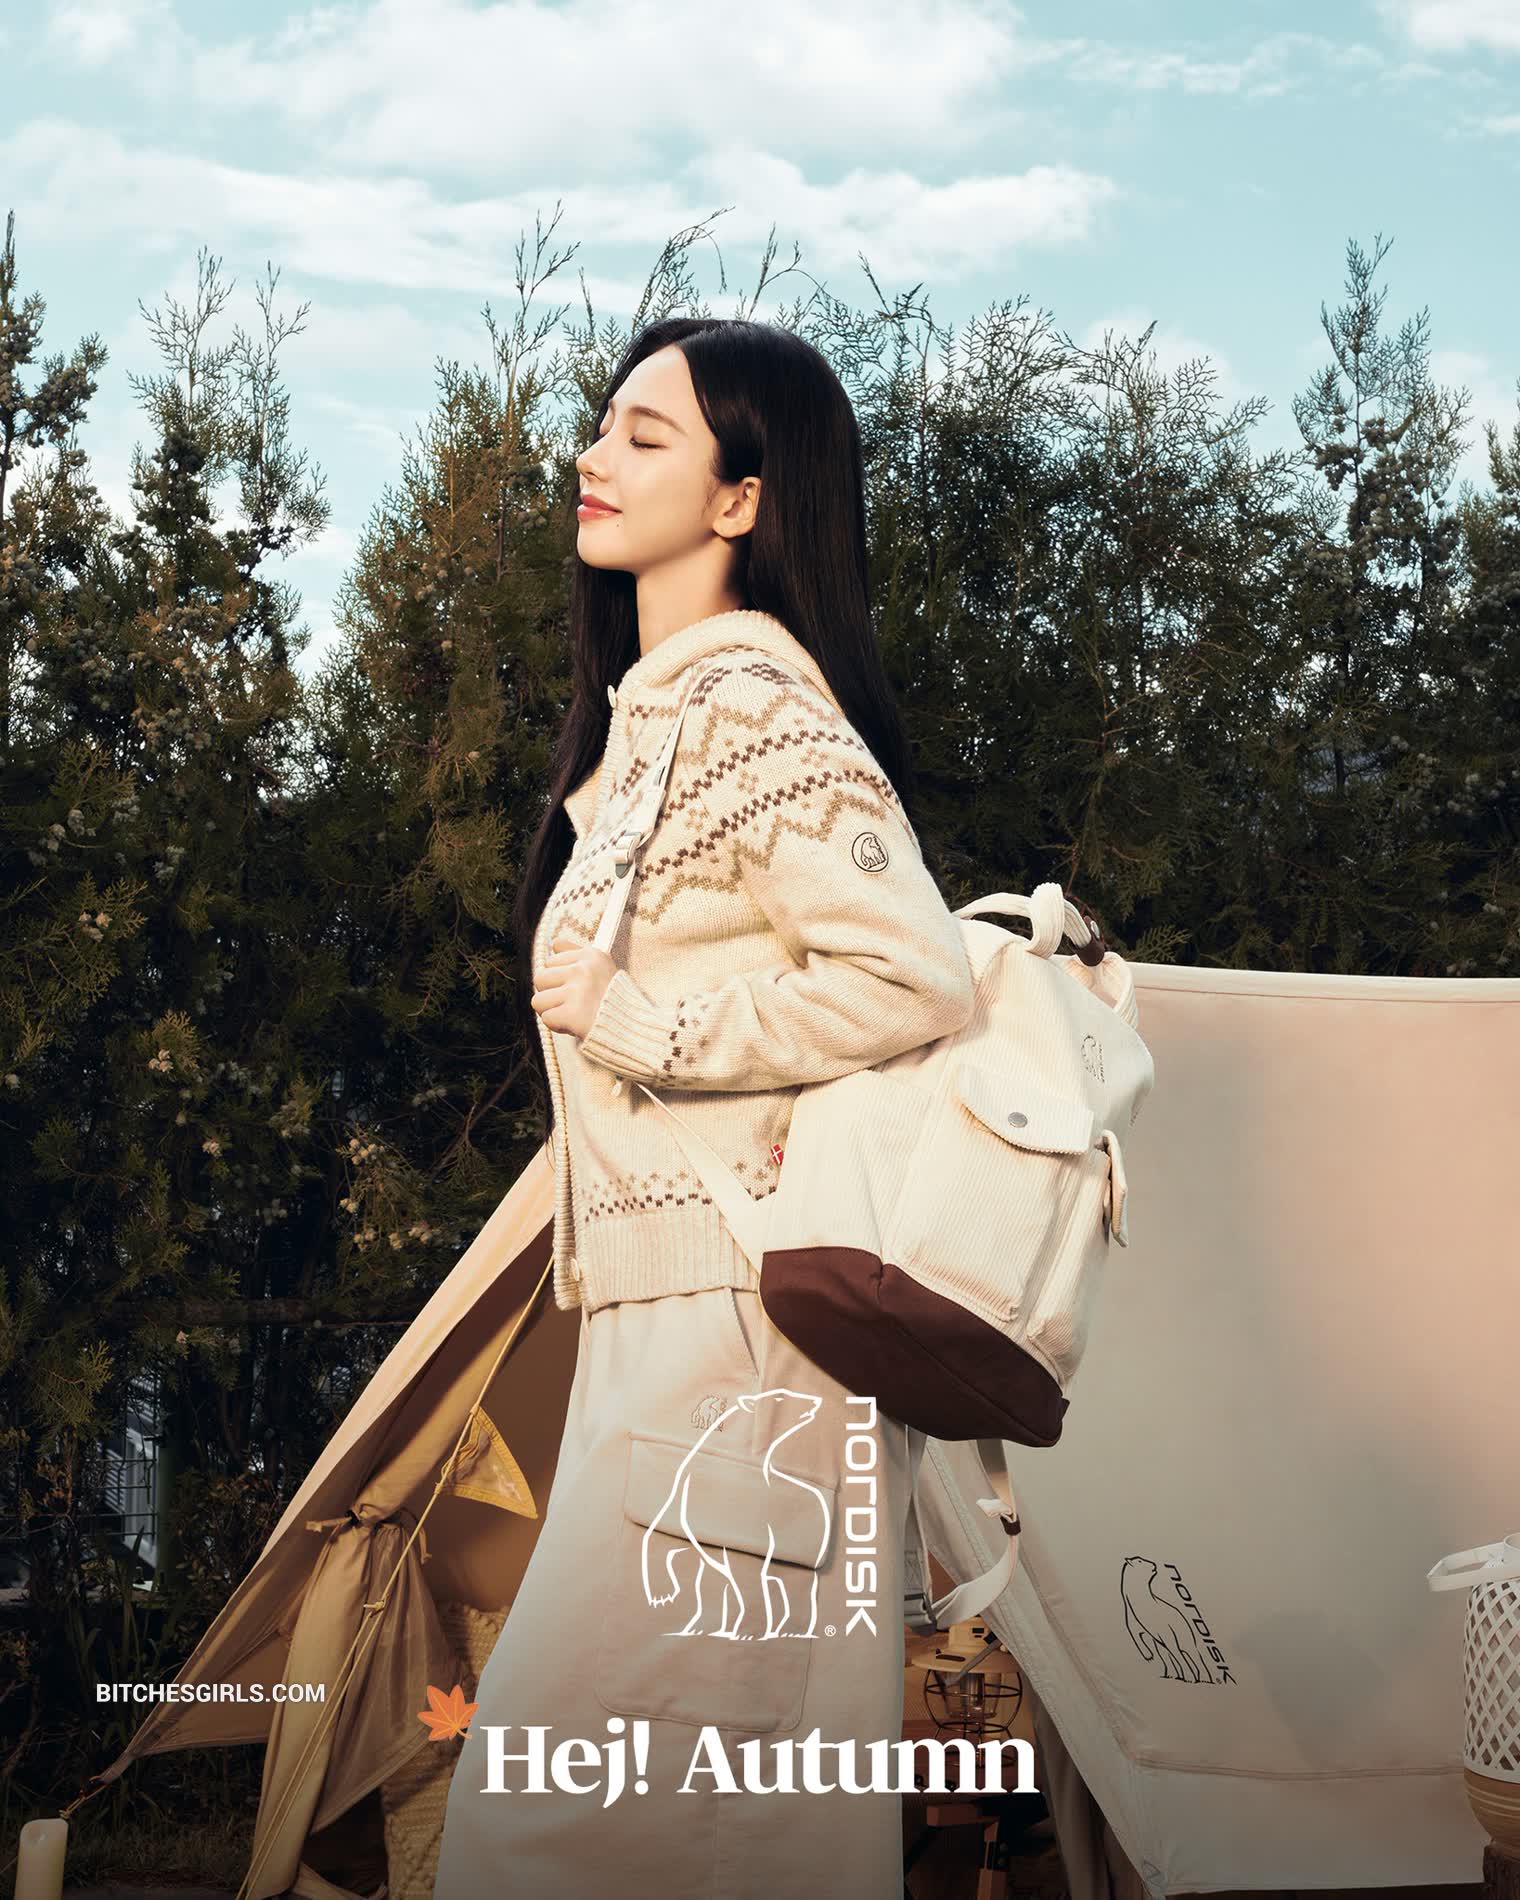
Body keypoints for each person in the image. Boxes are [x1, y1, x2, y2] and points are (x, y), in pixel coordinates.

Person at [434, 316, 976, 1899]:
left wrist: (650, 1020)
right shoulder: (656, 719)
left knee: (567, 1832)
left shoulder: (749, 706)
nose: (593, 457)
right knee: (682, 1831)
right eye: (602, 425)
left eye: (645, 435)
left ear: (743, 498)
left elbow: (915, 975)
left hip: (741, 1350)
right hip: (673, 1339)